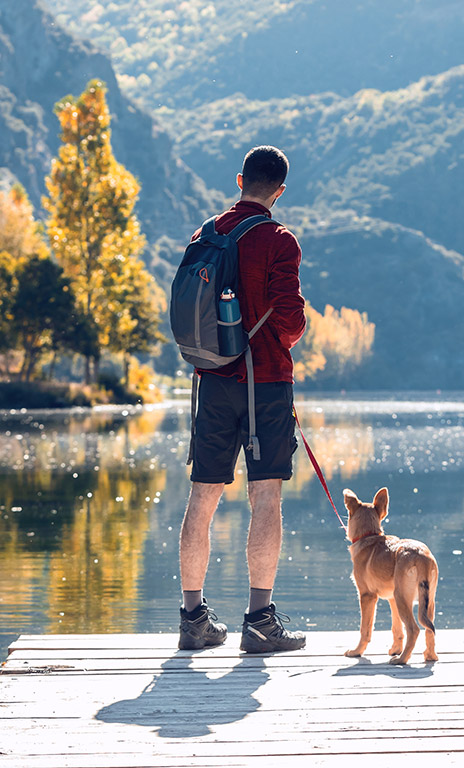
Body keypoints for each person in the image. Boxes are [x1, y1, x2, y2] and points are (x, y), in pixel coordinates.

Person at [178, 145, 307, 653]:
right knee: (266, 497)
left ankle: (193, 620)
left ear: (239, 180)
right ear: (279, 191)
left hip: (210, 380)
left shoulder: (205, 233)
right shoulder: (279, 240)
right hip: (266, 384)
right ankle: (259, 621)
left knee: (203, 496)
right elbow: (292, 321)